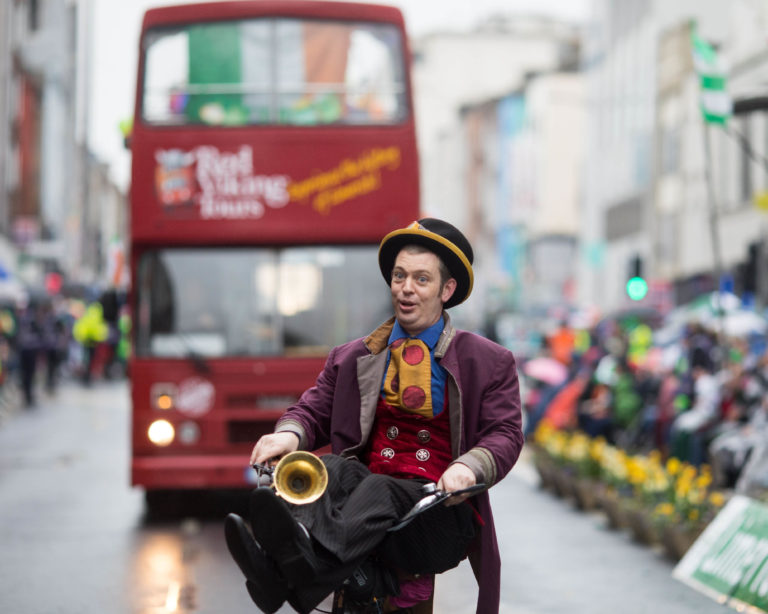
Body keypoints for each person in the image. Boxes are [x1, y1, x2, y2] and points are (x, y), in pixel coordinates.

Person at [225, 218, 523, 614]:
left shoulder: (489, 361)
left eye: (421, 279)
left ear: (447, 290)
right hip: (364, 504)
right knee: (332, 467)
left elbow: (506, 433)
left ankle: (286, 576)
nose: (405, 288)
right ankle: (284, 571)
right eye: (399, 276)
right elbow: (313, 408)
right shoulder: (351, 356)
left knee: (378, 488)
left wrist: (469, 467)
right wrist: (289, 435)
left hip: (436, 511)